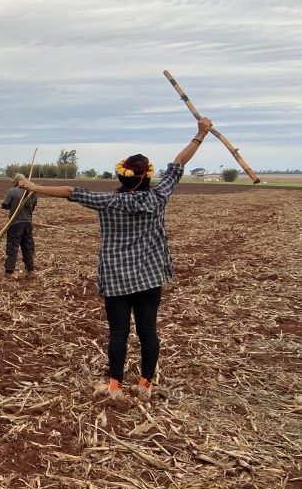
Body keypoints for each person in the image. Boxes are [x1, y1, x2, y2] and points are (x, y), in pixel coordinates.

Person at [19, 118, 213, 401]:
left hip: (117, 279)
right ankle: (146, 386)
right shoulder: (159, 196)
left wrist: (31, 186)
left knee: (119, 333)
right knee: (148, 331)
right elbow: (178, 163)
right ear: (147, 177)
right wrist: (201, 134)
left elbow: (72, 192)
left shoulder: (109, 201)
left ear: (121, 177)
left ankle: (115, 388)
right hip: (150, 277)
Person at [1, 173, 39, 277]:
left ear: (16, 181)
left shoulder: (12, 191)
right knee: (27, 246)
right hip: (28, 223)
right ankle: (30, 270)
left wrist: (12, 208)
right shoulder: (33, 192)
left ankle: (9, 272)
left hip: (16, 224)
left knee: (12, 247)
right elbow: (33, 207)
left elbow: (4, 205)